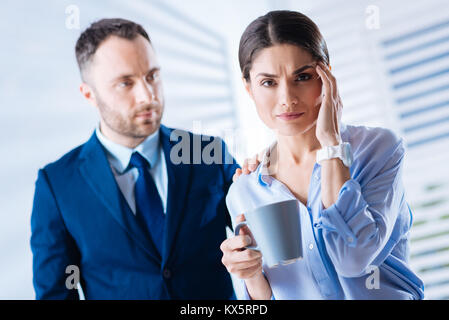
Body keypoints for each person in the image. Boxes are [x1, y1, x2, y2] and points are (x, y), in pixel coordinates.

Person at [220, 10, 425, 300]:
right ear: (249, 88)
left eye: (302, 76)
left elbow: (352, 259)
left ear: (327, 76)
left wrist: (331, 146)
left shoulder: (378, 150)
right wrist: (251, 276)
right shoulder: (246, 190)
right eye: (268, 82)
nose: (287, 98)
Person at [30, 18, 239, 299]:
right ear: (89, 94)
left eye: (152, 76)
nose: (147, 95)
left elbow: (264, 240)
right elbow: (56, 293)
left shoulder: (207, 154)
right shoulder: (58, 185)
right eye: (125, 83)